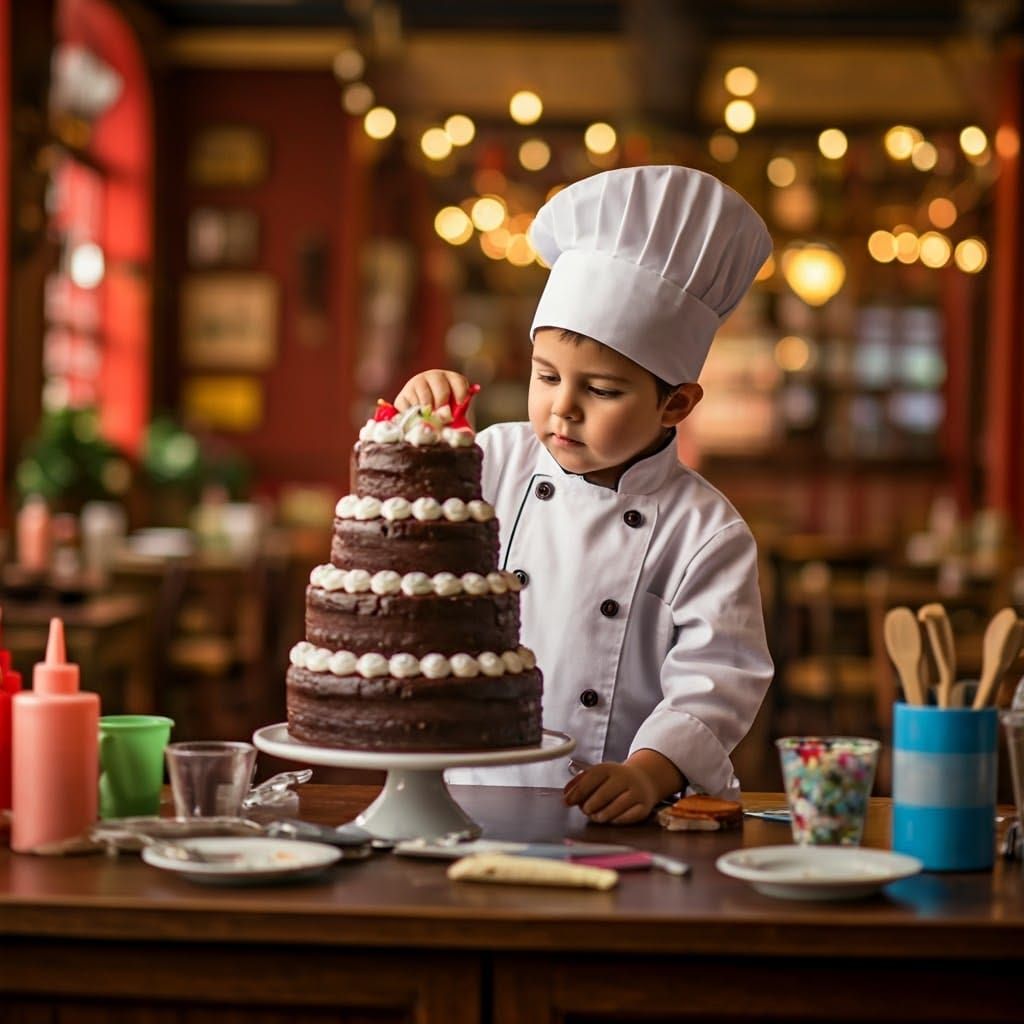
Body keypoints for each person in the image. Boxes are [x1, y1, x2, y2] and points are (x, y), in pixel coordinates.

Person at [395, 165, 773, 825]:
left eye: (600, 391)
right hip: (461, 788)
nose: (561, 410)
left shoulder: (706, 529)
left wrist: (649, 771)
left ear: (675, 404)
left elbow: (720, 676)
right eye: (546, 377)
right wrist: (421, 420)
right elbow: (406, 516)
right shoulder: (494, 457)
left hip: (613, 807)